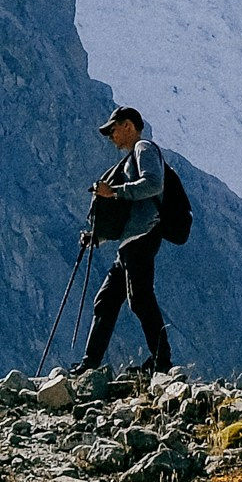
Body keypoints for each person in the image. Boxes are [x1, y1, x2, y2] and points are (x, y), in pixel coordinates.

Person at [75, 105, 172, 375]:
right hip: (132, 240)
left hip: (143, 236)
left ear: (128, 125)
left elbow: (153, 184)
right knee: (107, 299)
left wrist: (113, 192)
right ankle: (90, 364)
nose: (111, 137)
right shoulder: (134, 156)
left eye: (113, 130)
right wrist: (97, 237)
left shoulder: (144, 149)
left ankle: (162, 362)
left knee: (139, 297)